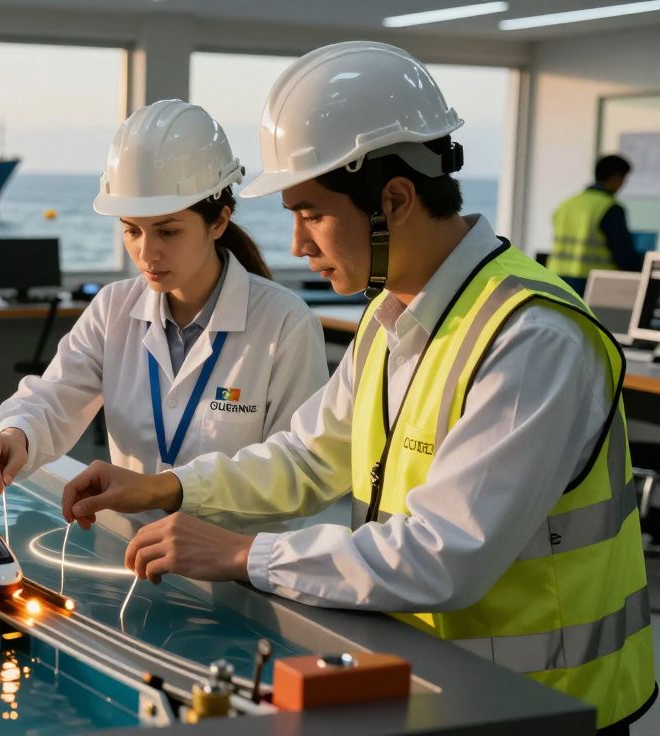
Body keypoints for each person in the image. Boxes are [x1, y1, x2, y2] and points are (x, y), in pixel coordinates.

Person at [60, 42, 654, 733]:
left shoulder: (531, 340)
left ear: (395, 200)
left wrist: (242, 554)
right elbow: (308, 458)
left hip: (541, 705)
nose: (297, 245)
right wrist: (167, 488)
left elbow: (444, 555)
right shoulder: (392, 313)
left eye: (310, 213)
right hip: (429, 680)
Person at [0, 100, 327, 501]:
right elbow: (53, 398)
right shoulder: (112, 308)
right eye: (132, 231)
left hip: (233, 556)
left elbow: (297, 473)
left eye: (168, 232)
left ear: (219, 221)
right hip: (130, 549)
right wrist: (16, 433)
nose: (146, 253)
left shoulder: (285, 324)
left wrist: (175, 493)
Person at [548, 155, 642, 294]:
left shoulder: (567, 204)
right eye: (623, 179)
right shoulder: (609, 208)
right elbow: (624, 255)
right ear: (616, 177)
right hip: (594, 284)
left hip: (557, 280)